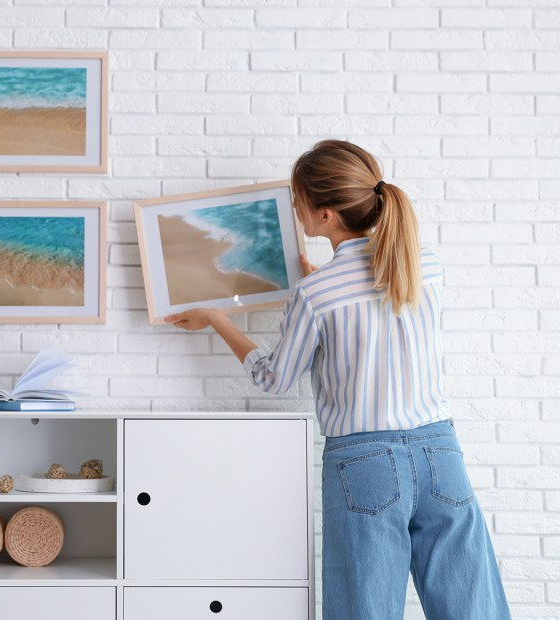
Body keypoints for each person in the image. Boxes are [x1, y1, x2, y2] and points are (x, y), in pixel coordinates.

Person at [165, 140, 511, 619]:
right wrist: (321, 278)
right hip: (441, 452)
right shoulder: (425, 266)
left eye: (298, 200)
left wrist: (218, 319)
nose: (295, 209)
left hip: (364, 463)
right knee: (473, 608)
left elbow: (273, 379)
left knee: (363, 610)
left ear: (326, 214)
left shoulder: (316, 294)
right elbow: (373, 306)